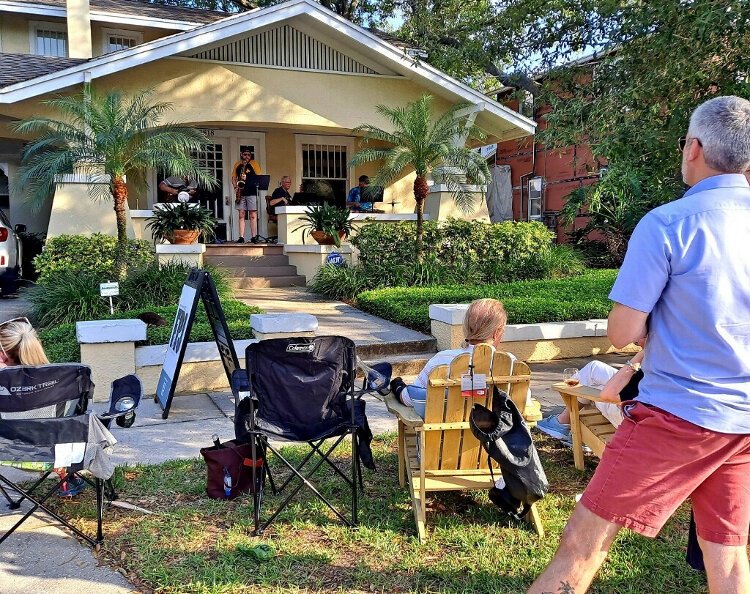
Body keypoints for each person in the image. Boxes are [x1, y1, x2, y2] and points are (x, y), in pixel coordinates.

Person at [529, 95, 750, 594]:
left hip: (679, 413)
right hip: (743, 422)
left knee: (582, 542)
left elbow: (622, 333)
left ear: (693, 147)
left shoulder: (670, 222)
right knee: (729, 558)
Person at [391, 299, 526, 419]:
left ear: (466, 328)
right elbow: (523, 401)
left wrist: (398, 386)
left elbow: (411, 399)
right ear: (497, 333)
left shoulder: (441, 359)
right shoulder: (511, 364)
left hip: (444, 442)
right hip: (496, 443)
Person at [0, 317, 84, 496]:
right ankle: (68, 479)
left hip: (8, 454)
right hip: (57, 455)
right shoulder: (62, 379)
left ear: (3, 354)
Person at [536, 343, 645, 440]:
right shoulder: (659, 361)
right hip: (648, 414)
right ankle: (565, 422)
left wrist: (639, 356)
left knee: (592, 387)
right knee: (594, 368)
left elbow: (612, 395)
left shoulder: (652, 361)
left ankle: (565, 423)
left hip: (634, 420)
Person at [232, 149, 263, 243]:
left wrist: (248, 177)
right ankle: (241, 237)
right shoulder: (237, 164)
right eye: (245, 154)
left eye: (249, 155)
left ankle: (254, 236)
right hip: (241, 193)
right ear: (241, 154)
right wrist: (235, 187)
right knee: (241, 215)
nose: (247, 156)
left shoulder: (254, 164)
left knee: (253, 215)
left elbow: (259, 178)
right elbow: (233, 178)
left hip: (252, 192)